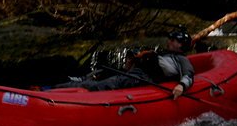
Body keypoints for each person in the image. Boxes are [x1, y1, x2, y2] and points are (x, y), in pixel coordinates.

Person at [51, 30, 195, 97]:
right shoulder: (162, 53)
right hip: (133, 75)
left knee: (99, 85)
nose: (169, 41)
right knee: (100, 74)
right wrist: (131, 63)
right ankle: (55, 87)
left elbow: (188, 75)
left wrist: (181, 86)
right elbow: (131, 67)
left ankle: (55, 93)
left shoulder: (181, 59)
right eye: (170, 38)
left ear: (181, 45)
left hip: (141, 79)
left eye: (173, 40)